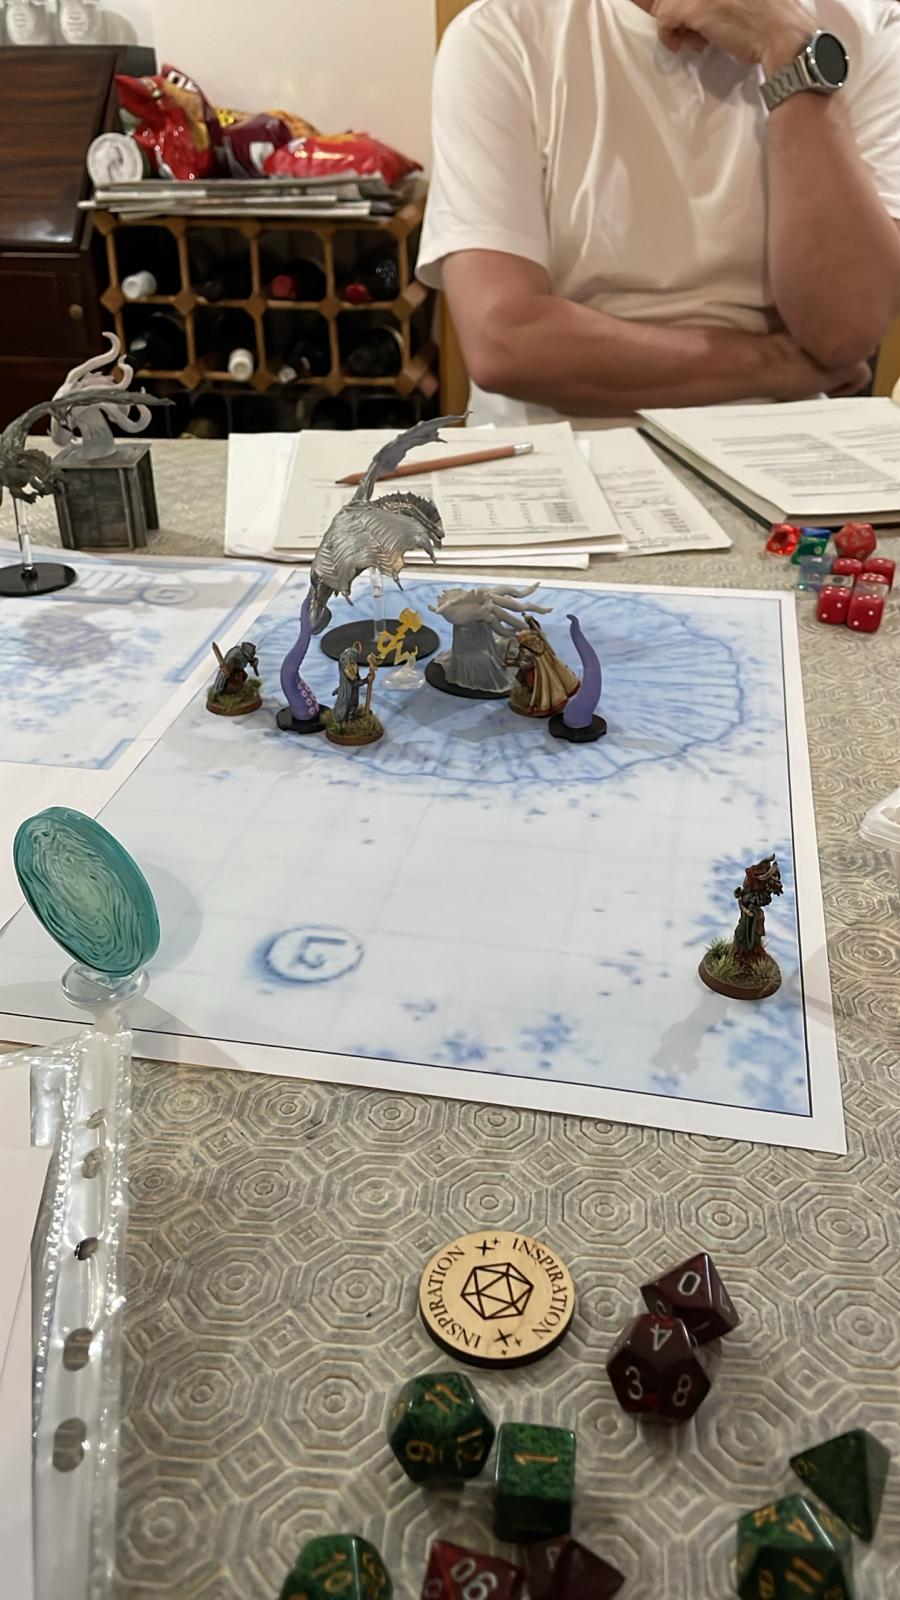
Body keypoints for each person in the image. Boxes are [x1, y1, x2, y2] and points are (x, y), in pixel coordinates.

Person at [418, 0, 900, 427]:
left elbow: (843, 331)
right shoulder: (501, 35)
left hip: (777, 444)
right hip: (557, 442)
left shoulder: (864, 28)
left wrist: (791, 53)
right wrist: (775, 364)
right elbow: (506, 342)